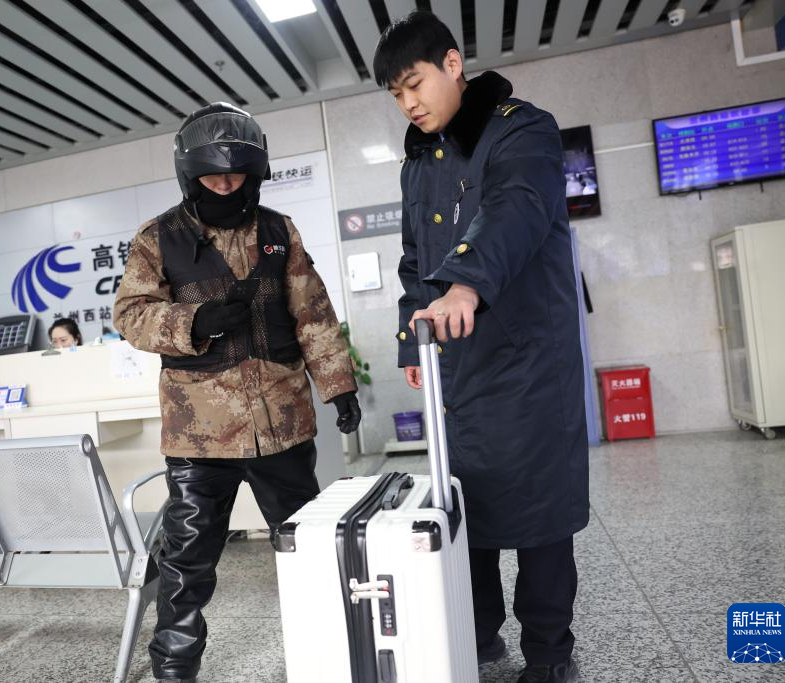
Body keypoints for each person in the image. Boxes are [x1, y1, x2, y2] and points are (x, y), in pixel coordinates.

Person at [374, 11, 588, 683]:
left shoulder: (522, 129)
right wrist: (411, 339)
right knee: (468, 510)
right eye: (396, 95)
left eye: (415, 84)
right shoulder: (418, 164)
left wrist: (466, 284)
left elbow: (515, 209)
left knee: (540, 516)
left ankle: (550, 653)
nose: (409, 104)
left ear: (453, 63)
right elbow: (414, 261)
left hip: (528, 363)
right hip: (458, 369)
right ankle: (479, 633)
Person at [113, 102, 361, 683]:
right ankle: (173, 669)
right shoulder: (158, 238)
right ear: (189, 173)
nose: (226, 185)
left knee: (307, 547)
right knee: (186, 563)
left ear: (256, 172)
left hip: (283, 425)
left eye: (236, 175)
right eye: (212, 175)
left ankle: (332, 656)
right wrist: (193, 321)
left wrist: (338, 385)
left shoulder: (278, 231)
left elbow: (312, 313)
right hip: (199, 435)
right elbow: (130, 315)